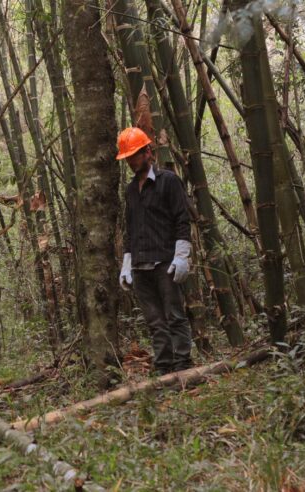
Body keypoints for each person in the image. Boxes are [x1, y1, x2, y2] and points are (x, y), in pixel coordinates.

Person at [116, 127, 194, 375]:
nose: (131, 161)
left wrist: (182, 255)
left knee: (174, 315)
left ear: (148, 152)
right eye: (127, 158)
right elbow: (130, 227)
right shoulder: (130, 190)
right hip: (140, 265)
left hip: (165, 262)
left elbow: (183, 218)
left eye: (134, 156)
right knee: (154, 321)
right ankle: (164, 366)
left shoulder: (168, 181)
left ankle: (183, 364)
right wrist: (127, 263)